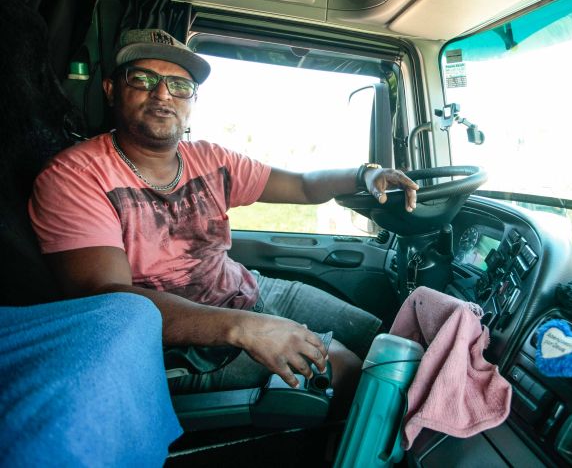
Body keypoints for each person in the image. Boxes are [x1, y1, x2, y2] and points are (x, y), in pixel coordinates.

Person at [28, 28, 419, 401]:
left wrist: (365, 174)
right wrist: (241, 328)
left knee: (382, 340)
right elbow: (110, 302)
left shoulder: (208, 159)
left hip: (246, 290)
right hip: (173, 343)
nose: (163, 93)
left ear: (192, 101)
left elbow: (301, 184)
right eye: (143, 79)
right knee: (347, 368)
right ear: (112, 89)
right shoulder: (74, 176)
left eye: (179, 86)